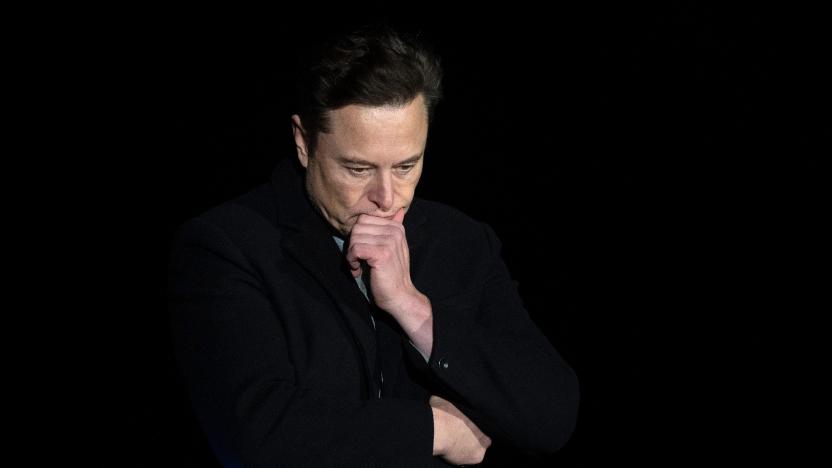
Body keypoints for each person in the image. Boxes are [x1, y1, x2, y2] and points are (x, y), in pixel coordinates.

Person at [168, 24, 579, 467]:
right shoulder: (229, 245)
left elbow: (551, 415)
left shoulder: (461, 241)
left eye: (406, 166)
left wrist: (412, 307)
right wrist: (434, 431)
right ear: (304, 143)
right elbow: (255, 434)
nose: (386, 197)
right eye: (358, 169)